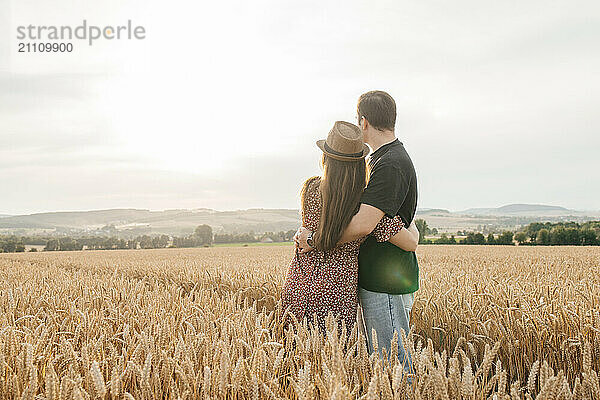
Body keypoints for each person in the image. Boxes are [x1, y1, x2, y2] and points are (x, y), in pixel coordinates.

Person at [296, 91, 419, 373]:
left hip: (385, 278)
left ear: (363, 122)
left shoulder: (389, 164)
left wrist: (314, 239)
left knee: (393, 362)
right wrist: (412, 231)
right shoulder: (382, 160)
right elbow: (398, 223)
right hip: (375, 276)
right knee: (384, 362)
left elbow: (365, 224)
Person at [281, 121, 419, 336]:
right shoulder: (365, 205)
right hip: (338, 291)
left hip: (299, 282)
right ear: (359, 164)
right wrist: (408, 217)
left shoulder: (310, 188)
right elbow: (410, 243)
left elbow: (312, 224)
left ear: (325, 158)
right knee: (335, 358)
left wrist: (312, 239)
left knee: (299, 355)